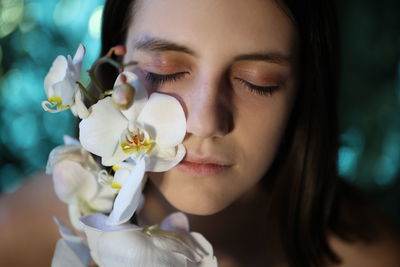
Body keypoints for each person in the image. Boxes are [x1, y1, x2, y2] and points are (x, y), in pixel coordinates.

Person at [0, 0, 398, 266]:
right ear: (112, 70)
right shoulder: (19, 237)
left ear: (302, 93)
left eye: (258, 82)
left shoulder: (371, 255)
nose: (205, 122)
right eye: (164, 71)